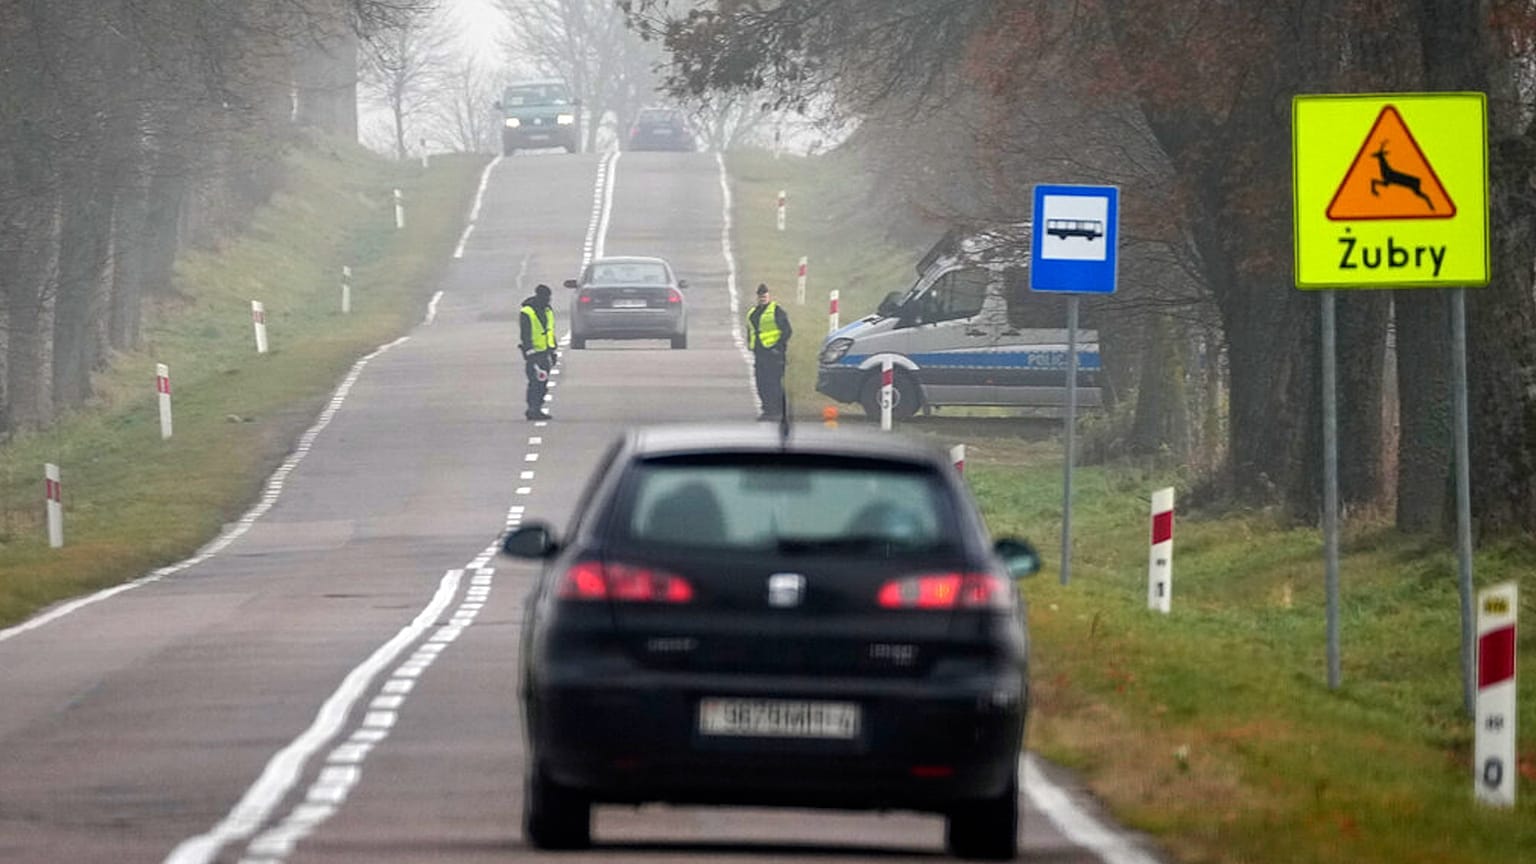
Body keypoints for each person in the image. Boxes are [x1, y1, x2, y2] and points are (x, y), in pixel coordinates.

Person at [746, 283, 792, 420]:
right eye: (760, 296)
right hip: (760, 353)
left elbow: (787, 331)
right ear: (757, 297)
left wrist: (778, 347)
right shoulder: (752, 313)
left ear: (769, 296)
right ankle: (768, 410)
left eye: (765, 296)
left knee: (774, 383)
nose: (762, 298)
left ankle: (777, 410)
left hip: (774, 354)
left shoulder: (777, 311)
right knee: (762, 383)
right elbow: (750, 331)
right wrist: (751, 345)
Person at [519, 283, 557, 420]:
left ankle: (538, 407)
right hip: (533, 353)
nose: (548, 299)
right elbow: (525, 333)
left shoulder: (548, 310)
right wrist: (529, 351)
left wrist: (553, 350)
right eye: (546, 297)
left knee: (543, 382)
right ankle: (532, 408)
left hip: (545, 351)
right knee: (535, 382)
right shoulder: (527, 311)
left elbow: (550, 331)